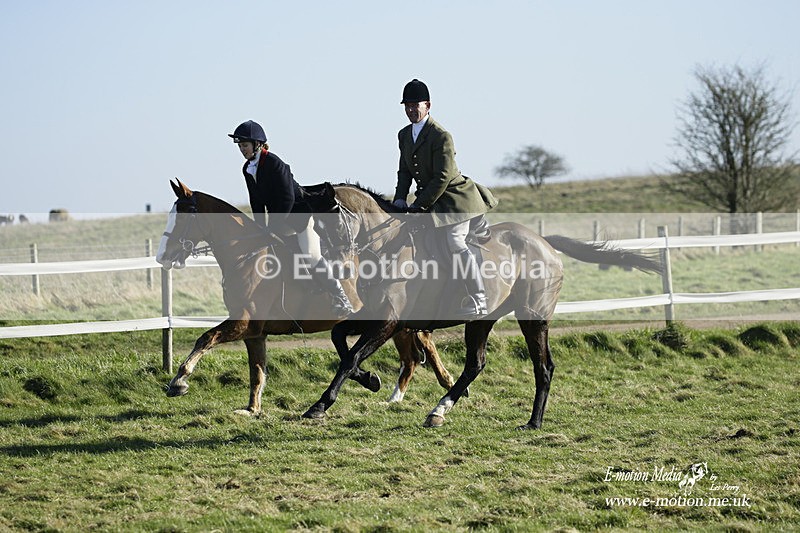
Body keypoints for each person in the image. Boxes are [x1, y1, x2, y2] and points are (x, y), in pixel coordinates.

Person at [392, 79, 498, 317]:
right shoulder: (404, 135)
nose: (410, 110)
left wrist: (419, 205)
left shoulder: (441, 136)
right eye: (406, 105)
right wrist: (399, 198)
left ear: (427, 105)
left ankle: (479, 298)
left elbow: (442, 177)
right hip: (430, 200)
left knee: (454, 242)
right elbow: (404, 171)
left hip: (455, 200)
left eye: (414, 105)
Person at [229, 120, 353, 317]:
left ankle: (341, 297)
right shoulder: (248, 169)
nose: (242, 150)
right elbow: (256, 201)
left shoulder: (274, 163)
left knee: (311, 256)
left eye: (244, 145)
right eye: (240, 146)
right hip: (280, 220)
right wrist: (260, 227)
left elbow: (288, 198)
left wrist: (273, 226)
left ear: (257, 144)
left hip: (299, 217)